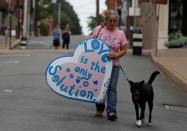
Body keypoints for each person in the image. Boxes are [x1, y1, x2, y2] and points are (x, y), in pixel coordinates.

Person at [90, 10, 127, 121]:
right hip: (99, 64)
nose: (112, 23)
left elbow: (124, 50)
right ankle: (100, 108)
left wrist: (116, 54)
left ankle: (111, 112)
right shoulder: (99, 29)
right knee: (100, 86)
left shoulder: (120, 34)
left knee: (112, 88)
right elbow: (92, 43)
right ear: (106, 20)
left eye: (114, 21)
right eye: (110, 20)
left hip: (114, 65)